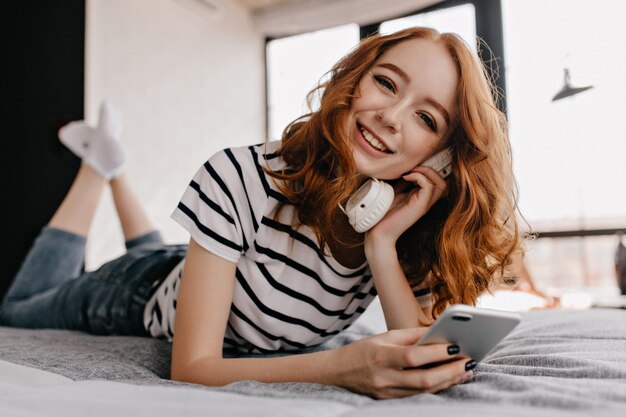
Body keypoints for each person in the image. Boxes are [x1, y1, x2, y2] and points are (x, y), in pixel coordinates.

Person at [0, 27, 522, 399]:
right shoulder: (240, 176)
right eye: (386, 83)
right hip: (136, 292)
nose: (390, 116)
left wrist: (381, 246)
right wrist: (342, 367)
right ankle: (99, 169)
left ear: (440, 157)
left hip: (212, 267)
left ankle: (115, 169)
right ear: (354, 80)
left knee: (174, 253)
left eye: (426, 118)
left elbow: (415, 351)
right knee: (15, 311)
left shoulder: (403, 221)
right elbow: (192, 367)